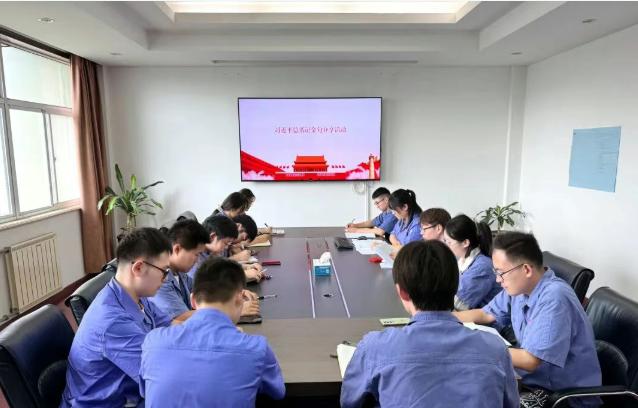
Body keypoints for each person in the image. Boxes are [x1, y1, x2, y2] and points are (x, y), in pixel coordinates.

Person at [341, 240, 519, 408]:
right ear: (455, 286)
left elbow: (350, 402)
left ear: (402, 292)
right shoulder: (495, 349)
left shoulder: (375, 348)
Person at [454, 232, 601, 408]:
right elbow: (486, 314)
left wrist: (475, 345)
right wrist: (442, 318)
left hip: (560, 397)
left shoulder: (555, 298)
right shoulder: (521, 288)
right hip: (531, 381)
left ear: (526, 270)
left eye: (501, 273)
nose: (498, 280)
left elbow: (530, 361)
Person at [140, 257, 286, 407]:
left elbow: (145, 391)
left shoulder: (152, 342)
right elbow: (278, 392)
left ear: (193, 301)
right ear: (239, 300)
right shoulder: (256, 348)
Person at [61, 228, 173, 407]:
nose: (166, 279)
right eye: (164, 271)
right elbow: (161, 377)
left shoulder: (136, 295)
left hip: (129, 393)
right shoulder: (113, 322)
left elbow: (169, 327)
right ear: (138, 268)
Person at [149, 219, 210, 322]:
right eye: (196, 254)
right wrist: (222, 309)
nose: (198, 260)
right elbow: (180, 317)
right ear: (177, 249)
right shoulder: (160, 278)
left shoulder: (180, 273)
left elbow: (201, 290)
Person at [443, 214, 501, 310]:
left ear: (465, 243)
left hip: (487, 319)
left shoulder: (482, 267)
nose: (446, 246)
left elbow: (458, 305)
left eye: (449, 242)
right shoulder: (462, 260)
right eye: (445, 241)